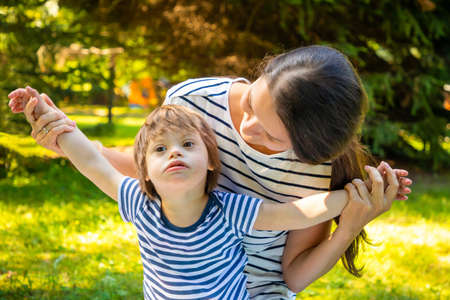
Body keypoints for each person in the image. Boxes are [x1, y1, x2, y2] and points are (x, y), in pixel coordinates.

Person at [9, 45, 412, 299]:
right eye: (250, 105)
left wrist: (352, 217)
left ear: (307, 150)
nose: (246, 128)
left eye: (270, 135)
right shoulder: (194, 100)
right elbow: (141, 161)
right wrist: (66, 137)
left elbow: (292, 265)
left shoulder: (306, 177)